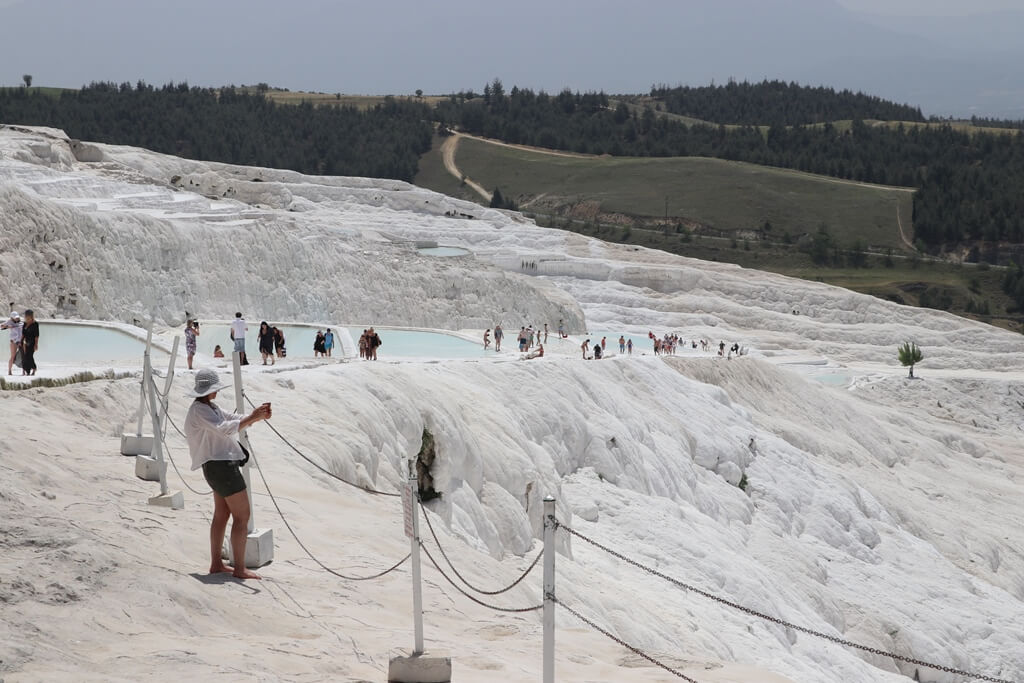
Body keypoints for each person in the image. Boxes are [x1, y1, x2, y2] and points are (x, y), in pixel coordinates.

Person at [185, 368, 271, 580]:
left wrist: (255, 417)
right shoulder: (201, 410)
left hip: (216, 467)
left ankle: (216, 564)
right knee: (242, 516)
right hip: (222, 467)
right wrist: (253, 417)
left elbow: (231, 418)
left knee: (222, 514)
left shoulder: (207, 407)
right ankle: (240, 568)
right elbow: (225, 428)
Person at [2, 310, 23, 375]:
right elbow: (1, 326)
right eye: (15, 318)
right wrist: (8, 327)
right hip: (13, 341)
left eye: (17, 317)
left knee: (23, 356)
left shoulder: (21, 323)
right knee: (12, 356)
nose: (17, 318)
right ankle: (9, 370)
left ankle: (24, 371)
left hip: (20, 341)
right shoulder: (10, 322)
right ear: (12, 318)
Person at [20, 310, 39, 376]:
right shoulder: (25, 323)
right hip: (25, 342)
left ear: (31, 317)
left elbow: (36, 335)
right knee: (25, 356)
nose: (27, 318)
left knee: (30, 356)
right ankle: (27, 371)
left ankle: (34, 368)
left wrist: (36, 344)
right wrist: (20, 341)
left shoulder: (35, 324)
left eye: (28, 317)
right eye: (26, 317)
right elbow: (23, 333)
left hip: (32, 342)